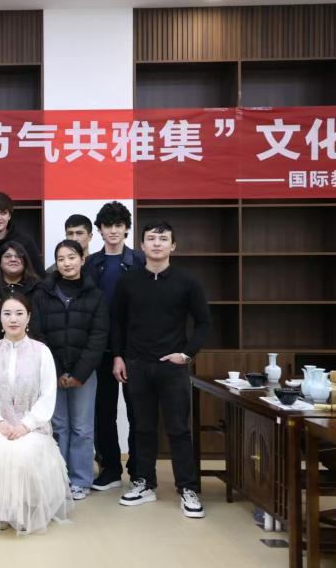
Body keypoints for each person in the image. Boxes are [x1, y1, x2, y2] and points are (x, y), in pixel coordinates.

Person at [112, 220, 211, 518]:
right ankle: (144, 483)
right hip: (137, 365)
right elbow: (117, 322)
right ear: (142, 245)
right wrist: (118, 357)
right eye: (151, 239)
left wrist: (187, 354)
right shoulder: (128, 280)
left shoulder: (187, 281)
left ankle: (188, 488)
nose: (157, 244)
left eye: (163, 239)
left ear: (173, 245)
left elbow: (204, 322)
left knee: (178, 429)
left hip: (172, 368)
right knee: (142, 428)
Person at [0, 293, 72, 534]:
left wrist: (25, 425)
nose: (13, 319)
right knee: (0, 450)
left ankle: (25, 511)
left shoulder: (42, 352)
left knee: (25, 451)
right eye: (7, 314)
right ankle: (5, 511)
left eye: (19, 313)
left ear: (28, 317)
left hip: (33, 427)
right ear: (0, 318)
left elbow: (47, 396)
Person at [32, 240, 108, 501]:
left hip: (83, 374)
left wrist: (78, 374)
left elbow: (98, 337)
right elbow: (38, 333)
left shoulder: (95, 295)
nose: (66, 263)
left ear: (82, 260)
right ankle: (58, 479)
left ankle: (81, 480)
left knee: (83, 429)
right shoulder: (43, 293)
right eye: (61, 258)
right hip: (51, 373)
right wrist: (55, 372)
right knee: (58, 427)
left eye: (72, 257)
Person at [84, 200, 145, 492]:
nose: (113, 231)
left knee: (137, 411)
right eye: (107, 225)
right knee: (103, 412)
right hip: (100, 348)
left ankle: (138, 469)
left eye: (119, 225)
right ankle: (109, 468)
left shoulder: (140, 262)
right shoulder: (90, 264)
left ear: (127, 228)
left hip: (133, 349)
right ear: (99, 229)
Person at [0, 241, 42, 339]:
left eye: (18, 256)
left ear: (25, 261)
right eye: (7, 256)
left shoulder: (38, 288)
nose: (13, 259)